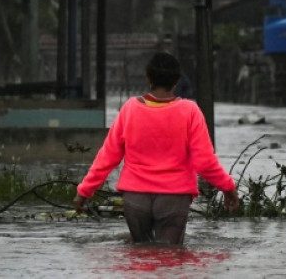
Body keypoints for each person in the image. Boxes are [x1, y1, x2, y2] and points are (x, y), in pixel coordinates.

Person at [73, 51, 240, 244]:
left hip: (135, 199)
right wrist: (228, 187)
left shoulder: (129, 109)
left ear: (148, 78)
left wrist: (84, 191)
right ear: (176, 81)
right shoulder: (190, 111)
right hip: (174, 198)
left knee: (141, 257)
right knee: (170, 257)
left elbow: (108, 157)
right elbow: (205, 162)